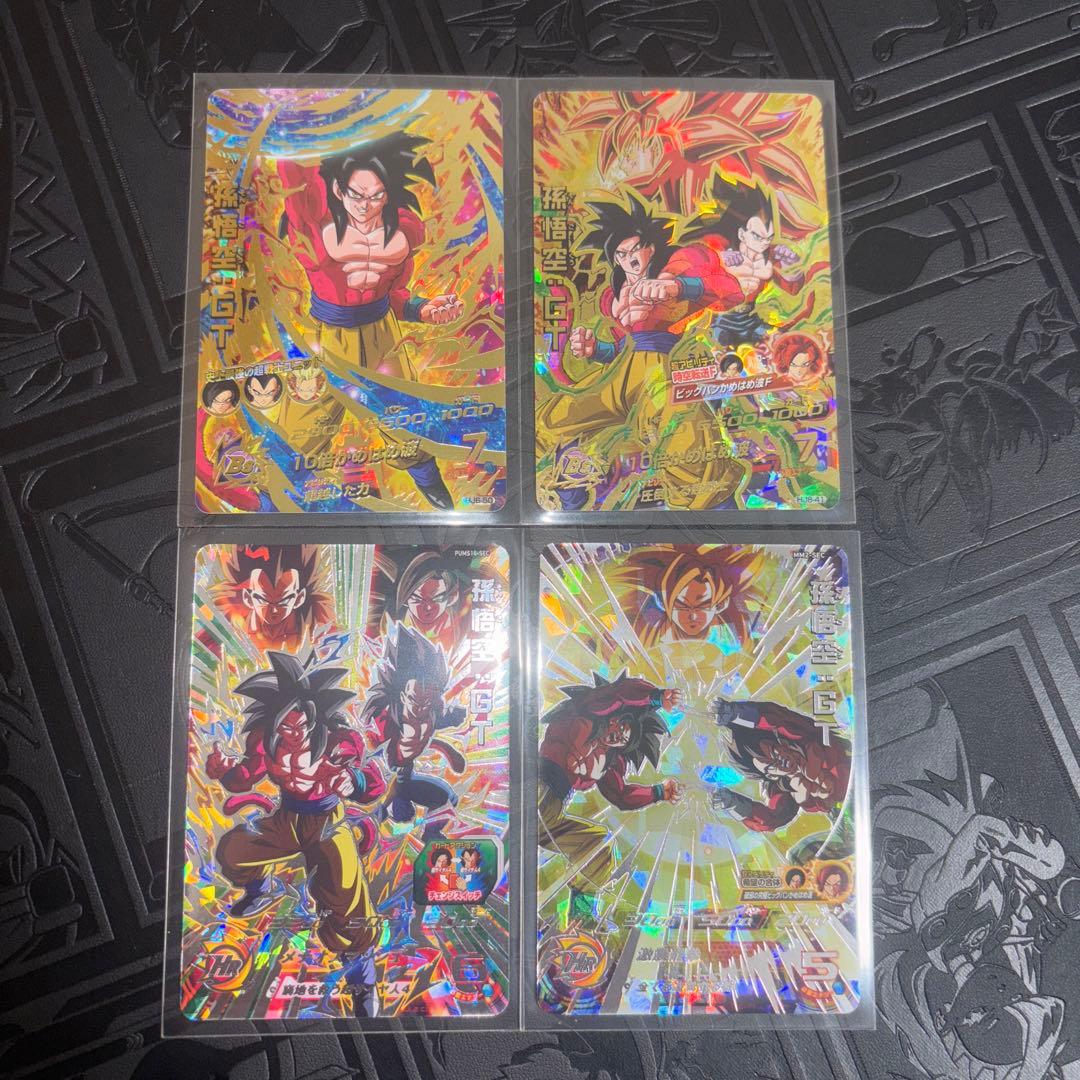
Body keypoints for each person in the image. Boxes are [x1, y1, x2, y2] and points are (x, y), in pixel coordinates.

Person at [277, 132, 463, 509]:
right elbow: (295, 178)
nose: (366, 205)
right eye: (357, 195)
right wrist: (296, 126)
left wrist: (422, 309)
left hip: (382, 334)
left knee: (405, 418)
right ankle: (275, 494)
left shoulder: (401, 232)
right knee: (303, 424)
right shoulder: (318, 227)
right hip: (327, 336)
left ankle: (428, 480)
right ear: (338, 190)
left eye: (376, 196)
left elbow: (394, 294)